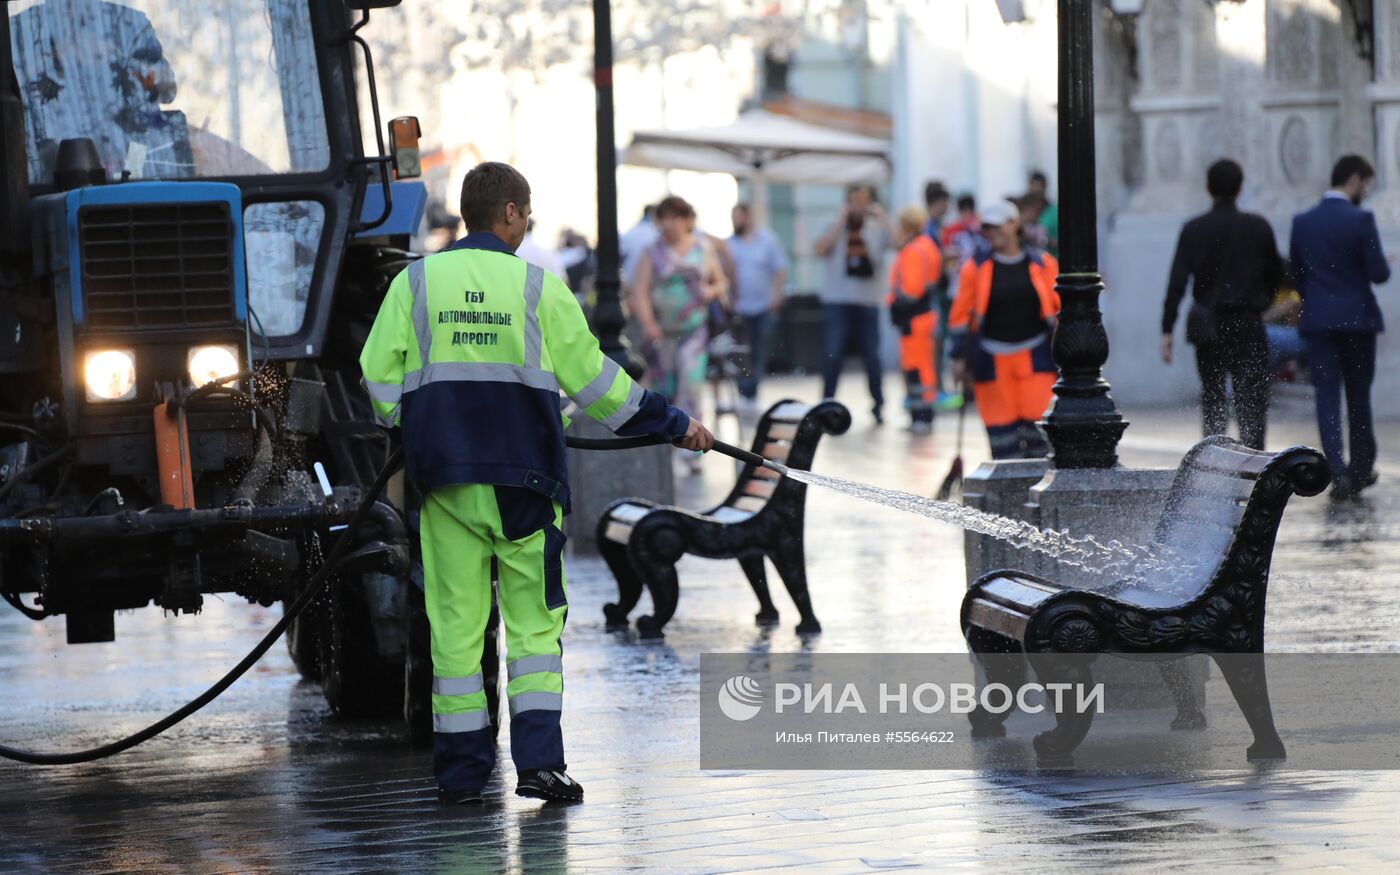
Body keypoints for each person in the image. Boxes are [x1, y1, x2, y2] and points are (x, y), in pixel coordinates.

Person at [359, 162, 715, 805]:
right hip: (527, 485)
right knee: (532, 630)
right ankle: (540, 767)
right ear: (513, 214)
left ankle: (463, 775)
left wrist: (417, 426)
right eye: (527, 213)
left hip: (445, 485)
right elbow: (600, 386)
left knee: (457, 631)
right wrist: (675, 423)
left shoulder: (414, 283)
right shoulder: (536, 287)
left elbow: (376, 377)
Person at [1159, 158, 1283, 451]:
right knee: (1251, 401)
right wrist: (1262, 302)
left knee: (1213, 398)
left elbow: (1177, 283)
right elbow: (1276, 273)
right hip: (1247, 321)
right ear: (1240, 189)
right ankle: (1254, 469)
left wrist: (1166, 330)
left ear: (1208, 188)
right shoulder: (1258, 227)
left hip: (1209, 325)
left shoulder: (1193, 229)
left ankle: (1214, 464)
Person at [1289, 154, 1392, 499]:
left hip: (1319, 321)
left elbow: (1298, 276)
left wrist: (1316, 301)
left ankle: (1336, 470)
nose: (1364, 190)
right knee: (1358, 395)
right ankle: (1362, 469)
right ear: (1353, 179)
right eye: (1364, 183)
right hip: (1358, 320)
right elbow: (1378, 273)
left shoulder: (1303, 222)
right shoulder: (1361, 219)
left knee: (1327, 397)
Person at [948, 200, 1060, 459]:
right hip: (991, 362)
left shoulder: (1043, 264)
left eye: (998, 226)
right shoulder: (974, 268)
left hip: (1036, 360)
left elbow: (1059, 308)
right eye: (987, 228)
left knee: (1040, 444)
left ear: (1014, 224)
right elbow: (959, 316)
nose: (992, 232)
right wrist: (958, 358)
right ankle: (1008, 499)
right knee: (1003, 446)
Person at [630, 195, 727, 471]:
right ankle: (668, 446)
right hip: (662, 333)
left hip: (694, 330)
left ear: (687, 221)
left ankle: (693, 452)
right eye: (665, 218)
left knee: (691, 384)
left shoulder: (703, 248)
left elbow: (720, 282)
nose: (670, 224)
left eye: (676, 218)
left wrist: (711, 291)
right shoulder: (652, 251)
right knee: (666, 389)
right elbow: (640, 291)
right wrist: (649, 325)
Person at [813, 184, 897, 423]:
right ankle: (827, 403)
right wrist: (840, 223)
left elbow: (900, 243)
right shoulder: (833, 223)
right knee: (833, 353)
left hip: (868, 301)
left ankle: (878, 404)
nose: (858, 206)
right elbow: (819, 249)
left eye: (864, 201)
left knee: (872, 355)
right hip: (837, 300)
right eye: (854, 201)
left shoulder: (877, 226)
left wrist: (883, 218)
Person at [887, 205, 944, 433]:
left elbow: (911, 290)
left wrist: (897, 302)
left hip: (913, 318)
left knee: (915, 369)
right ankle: (924, 415)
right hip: (925, 315)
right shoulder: (928, 245)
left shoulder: (913, 250)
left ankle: (920, 417)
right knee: (924, 367)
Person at [727, 203, 789, 410]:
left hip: (763, 306)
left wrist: (777, 295)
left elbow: (780, 269)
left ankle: (752, 391)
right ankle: (743, 391)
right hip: (739, 307)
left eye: (738, 217)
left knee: (759, 349)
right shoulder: (728, 244)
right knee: (741, 352)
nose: (735, 221)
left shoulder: (767, 240)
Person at [1026, 170, 1059, 255]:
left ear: (1045, 186)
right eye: (1033, 186)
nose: (1036, 190)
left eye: (1039, 186)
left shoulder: (1054, 212)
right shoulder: (1023, 210)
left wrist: (1045, 241)